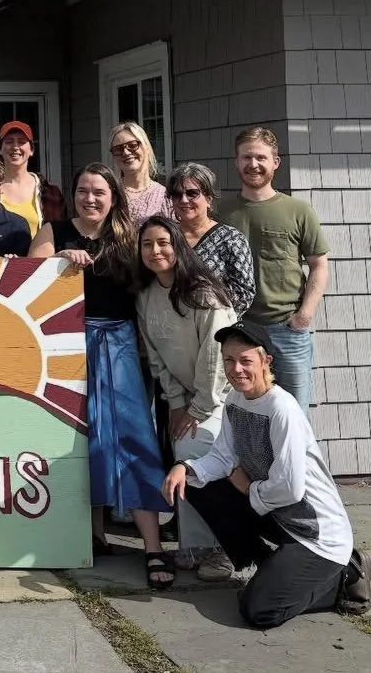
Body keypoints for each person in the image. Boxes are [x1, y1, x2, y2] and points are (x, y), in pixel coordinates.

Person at [162, 321, 367, 628]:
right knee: (194, 484)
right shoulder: (235, 400)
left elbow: (290, 488)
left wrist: (248, 488)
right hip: (277, 516)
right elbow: (222, 457)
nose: (236, 369)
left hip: (314, 532)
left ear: (266, 361)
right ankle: (262, 565)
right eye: (229, 360)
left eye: (246, 361)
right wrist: (185, 468)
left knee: (259, 611)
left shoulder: (282, 410)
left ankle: (345, 575)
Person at [31, 163, 173, 586]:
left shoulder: (129, 236)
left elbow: (155, 277)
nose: (90, 198)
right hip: (68, 346)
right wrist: (59, 258)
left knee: (133, 435)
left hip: (120, 343)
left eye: (99, 192)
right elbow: (29, 268)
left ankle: (152, 547)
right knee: (77, 436)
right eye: (82, 190)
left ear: (113, 197)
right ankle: (90, 534)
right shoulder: (54, 229)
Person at [135, 216, 237, 580]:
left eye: (163, 242)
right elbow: (156, 357)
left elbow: (217, 354)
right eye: (147, 244)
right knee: (184, 458)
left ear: (178, 246)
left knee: (203, 460)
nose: (155, 251)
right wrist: (176, 403)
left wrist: (198, 407)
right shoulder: (146, 296)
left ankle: (223, 550)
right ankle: (194, 547)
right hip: (186, 399)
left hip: (221, 397)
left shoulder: (203, 293)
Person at [218, 126, 329, 412]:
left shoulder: (298, 210)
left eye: (260, 158)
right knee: (246, 414)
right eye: (246, 158)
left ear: (275, 162)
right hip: (239, 329)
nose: (253, 165)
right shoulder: (221, 213)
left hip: (287, 330)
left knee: (294, 416)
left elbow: (319, 265)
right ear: (236, 161)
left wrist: (304, 316)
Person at [167, 162, 255, 316]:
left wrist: (203, 313)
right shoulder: (166, 236)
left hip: (214, 327)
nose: (184, 200)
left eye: (192, 193)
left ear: (208, 198)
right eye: (176, 194)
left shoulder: (231, 239)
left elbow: (244, 293)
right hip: (169, 323)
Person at [0, 120, 64, 238]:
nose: (15, 147)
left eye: (22, 142)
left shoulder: (50, 194)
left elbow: (59, 234)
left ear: (32, 150)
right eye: (9, 141)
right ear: (0, 149)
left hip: (38, 256)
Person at [108, 122, 173, 225]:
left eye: (132, 145)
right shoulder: (109, 194)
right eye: (118, 149)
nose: (126, 152)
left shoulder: (165, 197)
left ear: (146, 147)